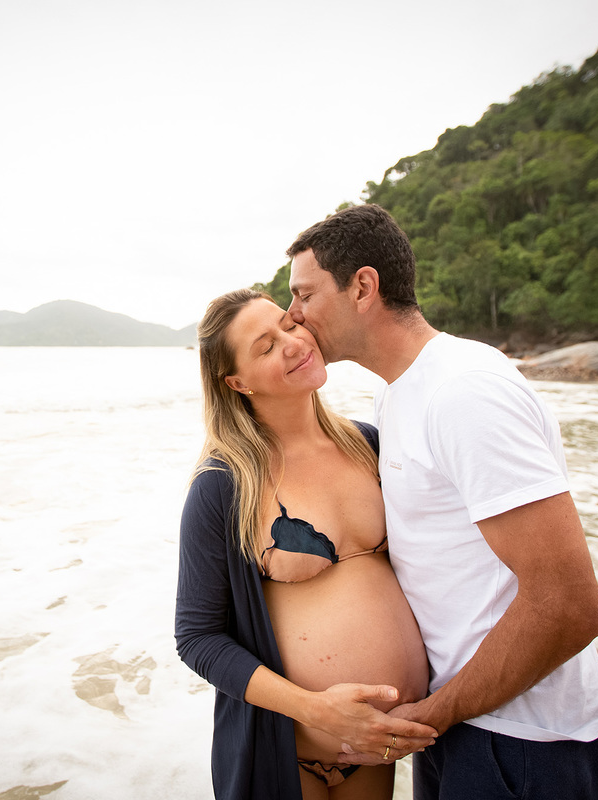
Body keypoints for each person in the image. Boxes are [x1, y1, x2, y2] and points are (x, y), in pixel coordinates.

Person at [284, 204, 598, 799]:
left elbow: (572, 605)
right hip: (464, 721)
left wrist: (433, 715)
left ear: (363, 287)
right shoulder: (400, 392)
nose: (294, 315)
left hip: (522, 741)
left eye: (305, 295)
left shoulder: (464, 392)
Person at [175, 288, 437, 800]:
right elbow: (197, 637)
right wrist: (317, 710)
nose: (293, 343)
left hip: (377, 752)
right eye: (266, 346)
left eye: (288, 325)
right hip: (288, 753)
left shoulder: (370, 445)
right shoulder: (225, 484)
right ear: (238, 383)